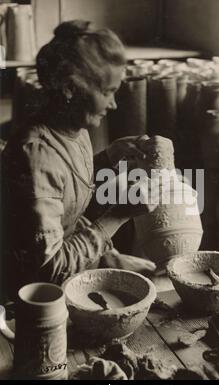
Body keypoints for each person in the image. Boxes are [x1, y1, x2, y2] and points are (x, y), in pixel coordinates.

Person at [1, 20, 164, 301]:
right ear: (69, 89)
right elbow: (48, 268)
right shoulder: (35, 155)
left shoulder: (73, 131)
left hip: (62, 276)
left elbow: (65, 199)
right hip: (26, 300)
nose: (113, 105)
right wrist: (117, 215)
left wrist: (108, 157)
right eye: (107, 92)